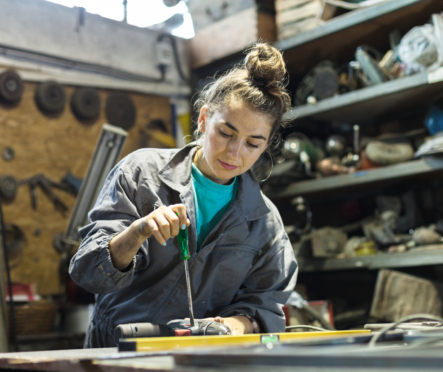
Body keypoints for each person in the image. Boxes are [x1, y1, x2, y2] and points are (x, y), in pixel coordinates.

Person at [69, 42, 298, 348]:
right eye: (226, 133)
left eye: (253, 144)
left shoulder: (264, 223)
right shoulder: (140, 174)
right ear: (203, 119)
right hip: (118, 354)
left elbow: (267, 305)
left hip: (204, 361)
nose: (235, 152)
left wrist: (234, 324)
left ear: (266, 144)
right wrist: (139, 231)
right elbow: (87, 273)